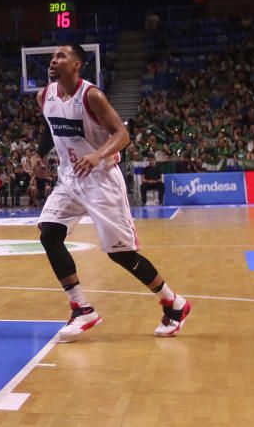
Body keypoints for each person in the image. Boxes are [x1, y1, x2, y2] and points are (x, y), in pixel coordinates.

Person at [36, 44, 190, 340]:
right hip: (69, 178)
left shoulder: (91, 96)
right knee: (49, 234)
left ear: (77, 65)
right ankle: (82, 308)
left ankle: (173, 303)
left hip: (100, 180)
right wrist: (39, 155)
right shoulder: (45, 95)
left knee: (122, 254)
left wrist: (96, 156)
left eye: (62, 56)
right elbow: (49, 127)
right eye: (53, 56)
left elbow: (122, 135)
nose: (54, 61)